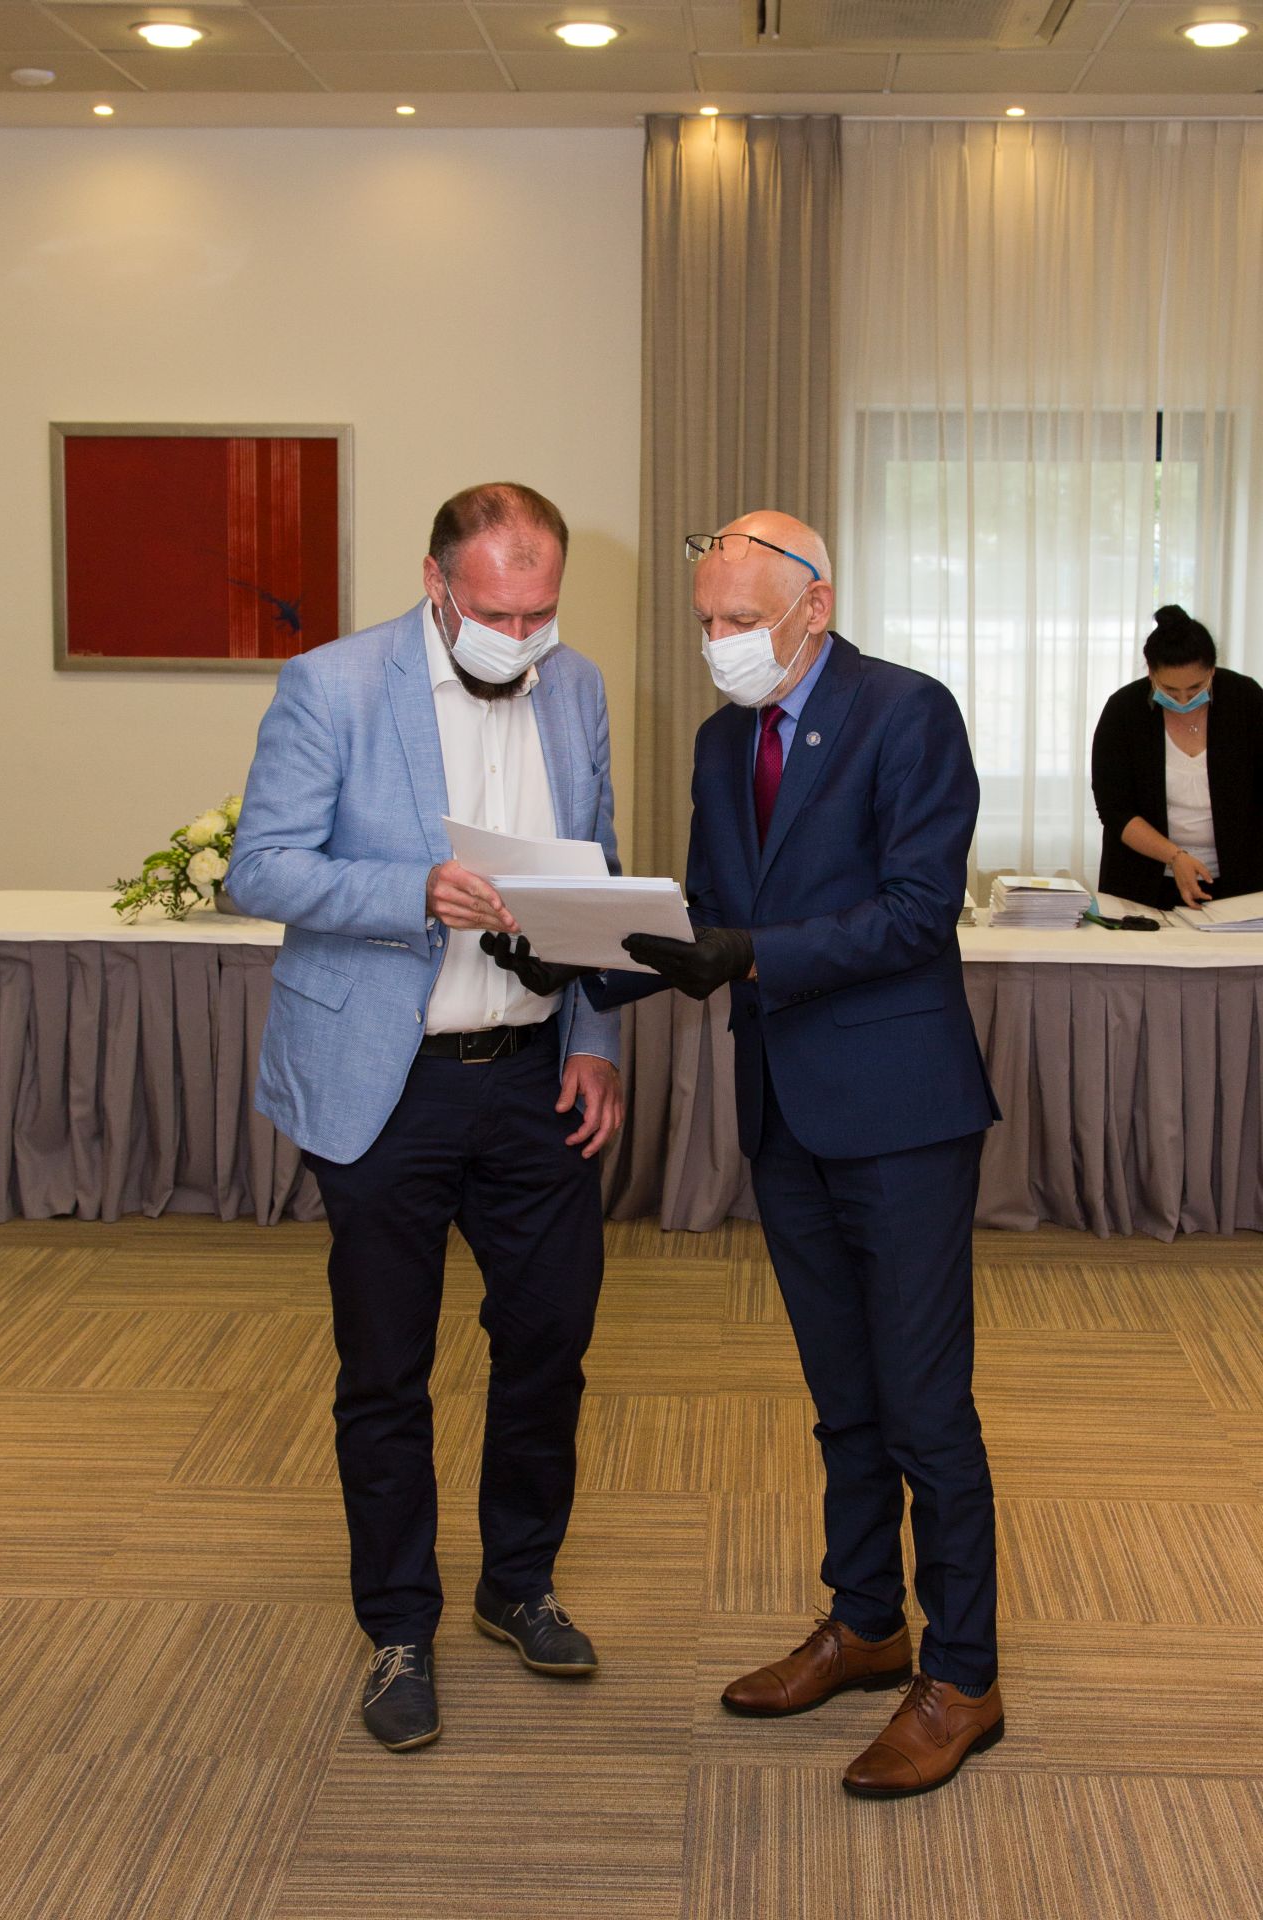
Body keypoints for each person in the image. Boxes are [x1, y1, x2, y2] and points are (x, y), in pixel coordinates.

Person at [488, 511, 1004, 1799]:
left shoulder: (905, 712)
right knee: (841, 1396)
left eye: (739, 621)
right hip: (782, 1110)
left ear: (812, 608)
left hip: (899, 1113)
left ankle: (963, 1675)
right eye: (705, 622)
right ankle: (866, 1622)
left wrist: (752, 955)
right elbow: (704, 921)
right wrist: (572, 958)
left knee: (923, 1406)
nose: (717, 642)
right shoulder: (725, 741)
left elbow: (914, 913)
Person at [227, 482, 624, 1753]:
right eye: (497, 611)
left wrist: (596, 1038)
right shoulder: (332, 686)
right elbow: (259, 866)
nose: (521, 634)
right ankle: (399, 1624)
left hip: (533, 1075)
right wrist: (416, 889)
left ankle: (518, 1584)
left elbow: (596, 870)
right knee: (386, 1368)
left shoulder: (577, 686)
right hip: (385, 1083)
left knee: (548, 1343)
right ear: (435, 583)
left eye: (540, 610)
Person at [1091, 604, 1263, 911]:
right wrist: (1175, 856)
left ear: (1212, 671)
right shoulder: (1124, 710)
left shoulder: (1246, 700)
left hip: (1240, 882)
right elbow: (1115, 809)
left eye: (1195, 688)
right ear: (1151, 673)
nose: (1183, 700)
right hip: (1142, 882)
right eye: (1170, 690)